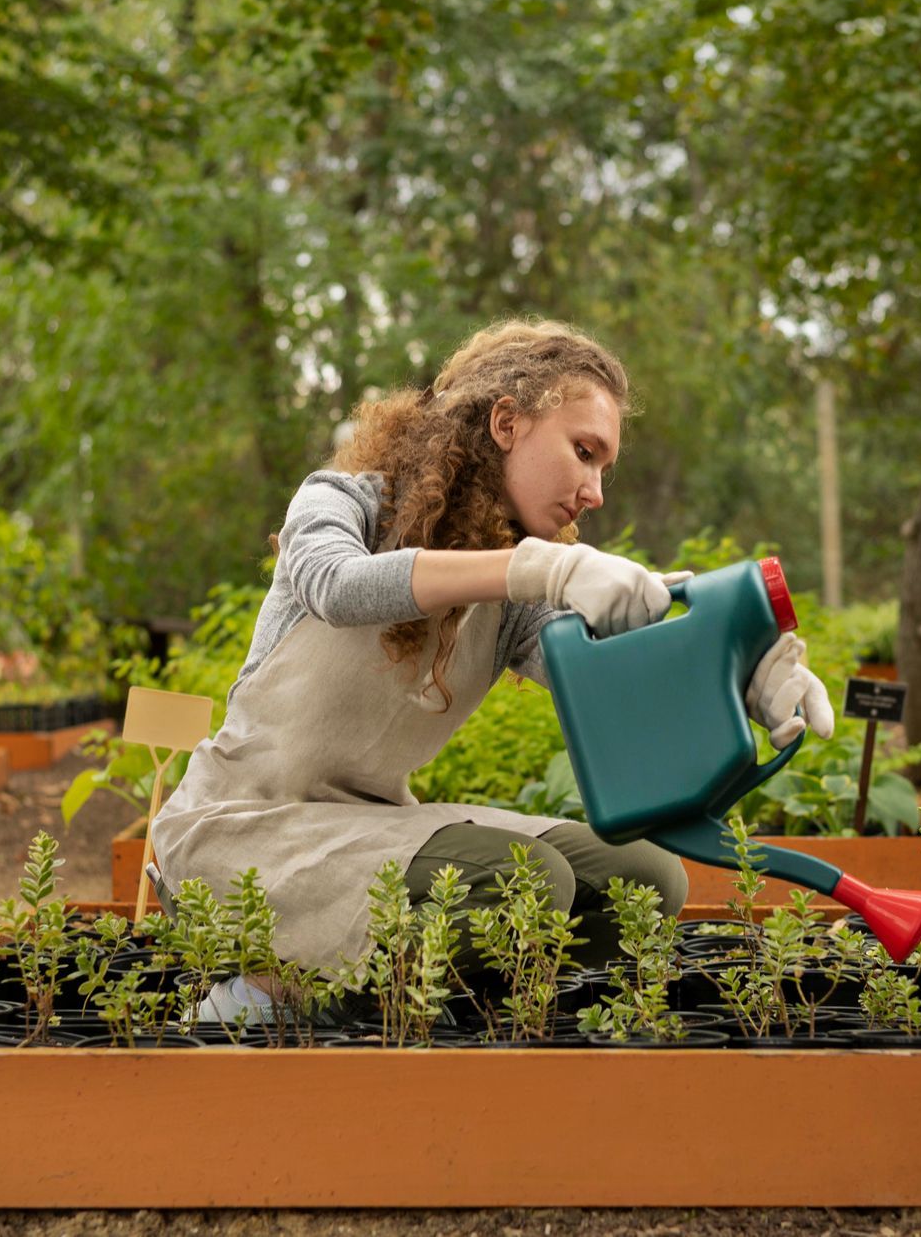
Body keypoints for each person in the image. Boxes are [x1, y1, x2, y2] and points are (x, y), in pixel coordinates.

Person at [150, 318, 833, 990]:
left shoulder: (513, 604)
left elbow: (614, 685)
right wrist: (535, 569)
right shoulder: (340, 502)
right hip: (241, 832)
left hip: (368, 827)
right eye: (584, 451)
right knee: (528, 881)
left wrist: (741, 673)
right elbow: (338, 587)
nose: (594, 492)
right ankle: (266, 997)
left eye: (605, 468)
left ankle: (450, 1014)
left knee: (646, 880)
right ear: (507, 423)